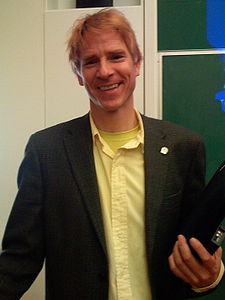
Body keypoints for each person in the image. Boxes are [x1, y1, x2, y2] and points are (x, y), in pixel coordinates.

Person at [0, 8, 224, 300]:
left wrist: (208, 277)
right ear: (79, 74)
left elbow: (191, 246)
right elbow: (19, 258)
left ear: (137, 63)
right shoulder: (47, 151)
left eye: (116, 56)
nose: (105, 71)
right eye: (91, 61)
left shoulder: (185, 147)